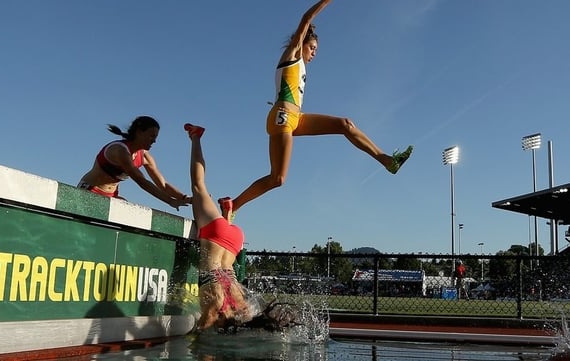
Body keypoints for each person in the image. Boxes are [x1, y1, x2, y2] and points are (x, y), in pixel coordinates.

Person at [218, 0, 413, 220]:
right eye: (312, 47)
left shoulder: (302, 68)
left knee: (345, 125)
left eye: (316, 50)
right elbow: (306, 20)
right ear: (300, 43)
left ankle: (388, 161)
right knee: (278, 178)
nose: (315, 53)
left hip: (296, 118)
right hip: (282, 117)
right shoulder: (291, 55)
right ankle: (233, 204)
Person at [184, 123, 254, 331]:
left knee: (199, 186)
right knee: (198, 186)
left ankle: (228, 213)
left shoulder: (238, 307)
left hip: (233, 239)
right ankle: (195, 137)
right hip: (223, 237)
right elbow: (201, 331)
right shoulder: (219, 308)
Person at [78, 115, 190, 211]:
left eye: (155, 137)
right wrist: (170, 201)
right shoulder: (120, 150)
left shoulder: (145, 156)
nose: (154, 141)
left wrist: (184, 198)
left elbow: (163, 184)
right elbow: (142, 181)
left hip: (112, 195)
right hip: (90, 190)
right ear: (139, 132)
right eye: (151, 136)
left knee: (128, 211)